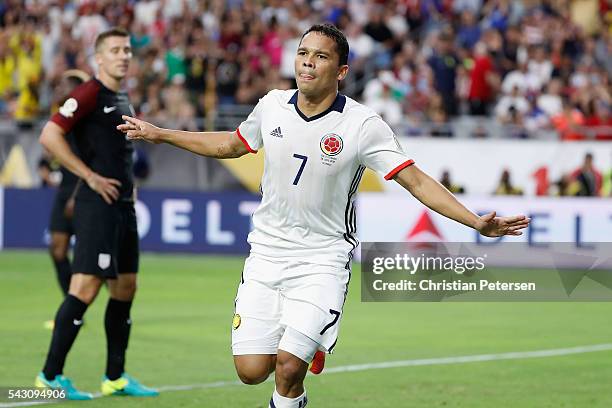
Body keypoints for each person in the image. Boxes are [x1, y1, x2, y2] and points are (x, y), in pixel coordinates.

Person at [119, 24, 530, 408]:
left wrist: (475, 221)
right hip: (266, 255)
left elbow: (416, 181)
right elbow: (231, 144)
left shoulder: (362, 125)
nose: (308, 62)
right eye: (302, 53)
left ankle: (304, 351)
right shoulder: (273, 107)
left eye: (320, 56)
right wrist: (160, 133)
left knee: (287, 369)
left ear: (342, 70)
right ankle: (311, 343)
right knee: (251, 372)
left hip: (322, 259)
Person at [36, 27, 158, 400]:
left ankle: (115, 377)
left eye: (127, 49)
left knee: (125, 288)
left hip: (123, 205)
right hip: (97, 206)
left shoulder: (121, 96)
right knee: (85, 287)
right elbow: (49, 135)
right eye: (115, 50)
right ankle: (50, 377)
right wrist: (88, 175)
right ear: (99, 58)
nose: (123, 55)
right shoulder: (88, 92)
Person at [45, 69, 89, 312]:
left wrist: (76, 195)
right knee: (57, 249)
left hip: (82, 190)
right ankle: (70, 304)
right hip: (64, 189)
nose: (59, 88)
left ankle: (112, 298)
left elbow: (92, 162)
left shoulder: (84, 123)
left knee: (90, 258)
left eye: (65, 85)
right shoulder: (61, 120)